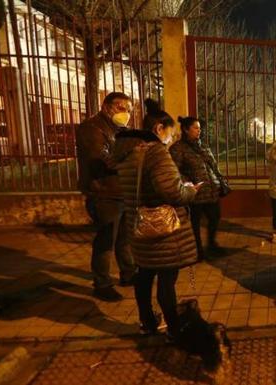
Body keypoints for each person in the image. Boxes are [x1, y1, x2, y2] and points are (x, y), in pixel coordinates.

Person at [113, 99, 201, 335]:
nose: (170, 140)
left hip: (139, 224)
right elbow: (171, 191)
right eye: (169, 134)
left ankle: (147, 322)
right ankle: (174, 327)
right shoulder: (155, 153)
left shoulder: (126, 152)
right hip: (162, 231)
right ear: (159, 129)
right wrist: (190, 190)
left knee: (144, 274)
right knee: (166, 278)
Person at [76, 92, 136, 301]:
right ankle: (102, 283)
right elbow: (101, 159)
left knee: (124, 238)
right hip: (103, 192)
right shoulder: (92, 128)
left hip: (121, 191)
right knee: (106, 239)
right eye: (121, 108)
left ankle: (128, 273)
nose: (126, 113)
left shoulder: (119, 130)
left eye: (129, 109)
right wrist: (131, 161)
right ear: (106, 107)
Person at [170, 116, 225, 260]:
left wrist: (220, 180)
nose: (199, 131)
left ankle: (212, 244)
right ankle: (197, 250)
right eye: (195, 128)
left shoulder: (203, 146)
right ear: (186, 129)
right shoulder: (177, 148)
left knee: (215, 217)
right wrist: (188, 183)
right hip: (195, 193)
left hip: (211, 190)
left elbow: (213, 165)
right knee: (194, 223)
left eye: (200, 128)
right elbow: (175, 171)